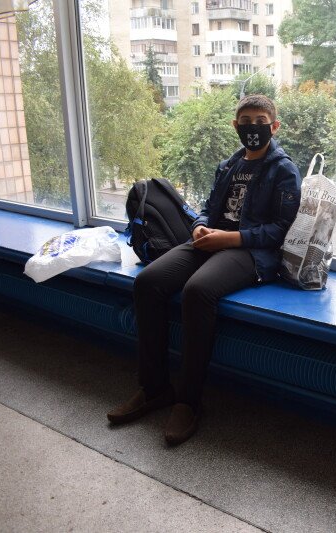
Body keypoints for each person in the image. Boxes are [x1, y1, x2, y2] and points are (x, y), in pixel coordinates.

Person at [107, 95, 301, 446]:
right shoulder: (229, 165)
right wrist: (199, 226)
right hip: (211, 240)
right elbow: (209, 208)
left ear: (274, 127)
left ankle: (188, 401)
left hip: (251, 251)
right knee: (148, 282)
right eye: (246, 121)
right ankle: (154, 388)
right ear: (235, 126)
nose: (253, 127)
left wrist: (230, 238)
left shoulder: (283, 170)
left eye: (261, 121)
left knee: (198, 292)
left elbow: (279, 229)